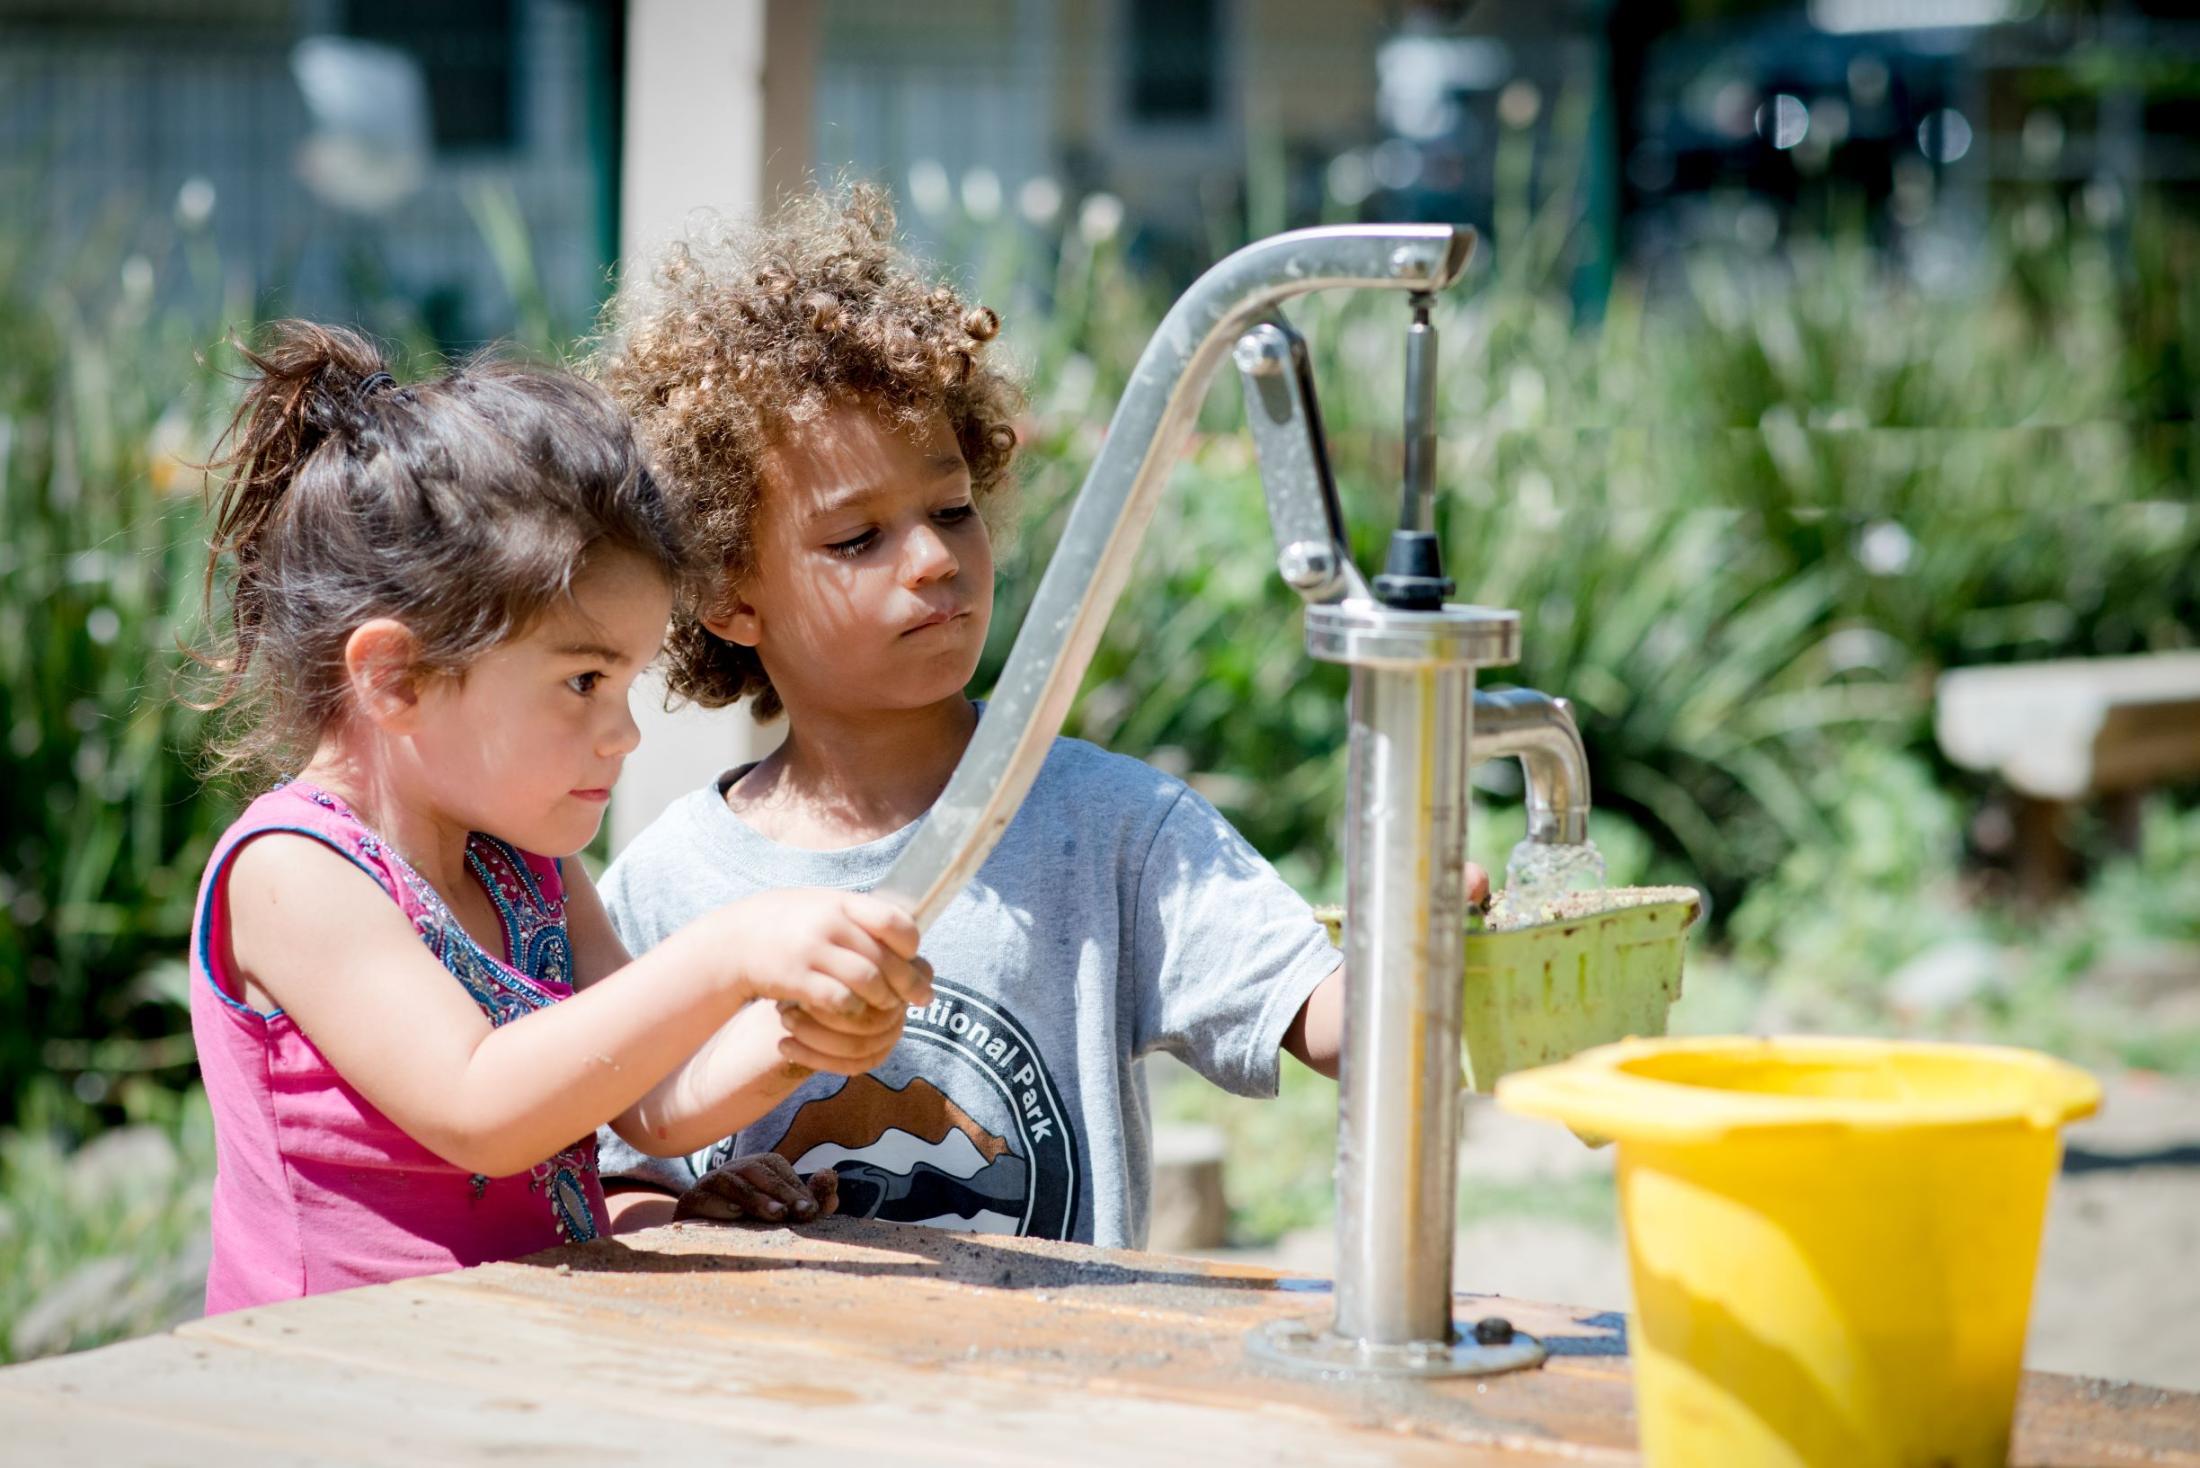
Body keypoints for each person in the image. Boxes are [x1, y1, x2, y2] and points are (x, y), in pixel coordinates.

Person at [590, 188, 1487, 1246]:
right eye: (856, 539)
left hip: (1055, 1395)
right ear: (730, 595)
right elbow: (607, 1179)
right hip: (780, 1399)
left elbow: (1330, 1020)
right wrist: (685, 1208)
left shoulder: (1113, 828)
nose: (933, 558)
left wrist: (1421, 948)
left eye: (952, 510)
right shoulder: (661, 889)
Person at [185, 322, 929, 1312]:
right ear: (395, 676)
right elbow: (480, 1104)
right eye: (582, 679)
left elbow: (656, 1101)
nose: (620, 734)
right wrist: (729, 952)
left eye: (624, 683)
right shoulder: (295, 871)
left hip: (514, 1371)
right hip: (331, 1396)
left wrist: (802, 1033)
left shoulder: (519, 867)